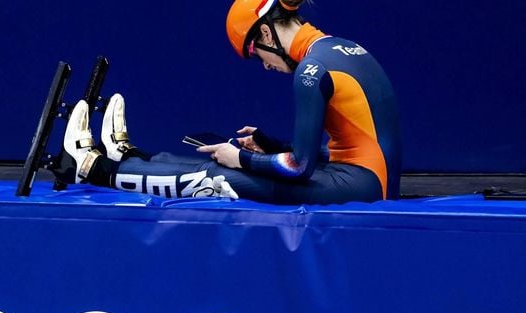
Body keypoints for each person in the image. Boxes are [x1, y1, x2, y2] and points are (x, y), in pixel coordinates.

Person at [51, 0, 402, 205]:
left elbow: (299, 167)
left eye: (256, 55)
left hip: (359, 187)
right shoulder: (340, 47)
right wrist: (271, 145)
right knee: (230, 163)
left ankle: (93, 169)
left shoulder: (310, 70)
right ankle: (130, 157)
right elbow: (352, 149)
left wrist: (243, 157)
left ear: (266, 33)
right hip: (369, 180)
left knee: (219, 175)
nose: (266, 65)